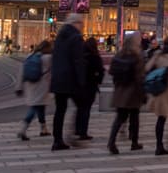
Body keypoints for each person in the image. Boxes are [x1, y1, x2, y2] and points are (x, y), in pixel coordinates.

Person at [49, 13, 87, 151]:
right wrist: (81, 81)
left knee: (60, 110)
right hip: (71, 79)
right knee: (82, 105)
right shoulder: (76, 37)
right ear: (76, 23)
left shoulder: (60, 36)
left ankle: (57, 140)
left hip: (58, 79)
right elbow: (78, 61)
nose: (82, 27)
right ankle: (74, 134)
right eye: (81, 24)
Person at [106, 32, 146, 155]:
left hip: (119, 90)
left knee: (120, 118)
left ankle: (111, 141)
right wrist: (143, 94)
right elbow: (139, 77)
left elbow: (112, 72)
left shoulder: (118, 55)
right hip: (133, 91)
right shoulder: (136, 57)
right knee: (134, 117)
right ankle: (134, 142)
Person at [16, 39, 53, 141]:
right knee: (36, 107)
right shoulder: (48, 58)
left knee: (40, 106)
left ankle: (43, 129)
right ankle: (23, 128)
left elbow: (21, 72)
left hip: (30, 85)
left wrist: (19, 87)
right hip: (42, 85)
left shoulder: (30, 56)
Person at [77, 37, 105, 140]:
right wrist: (98, 80)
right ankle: (83, 132)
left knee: (80, 108)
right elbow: (100, 71)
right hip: (90, 86)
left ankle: (78, 129)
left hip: (80, 85)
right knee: (86, 109)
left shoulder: (80, 56)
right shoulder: (94, 57)